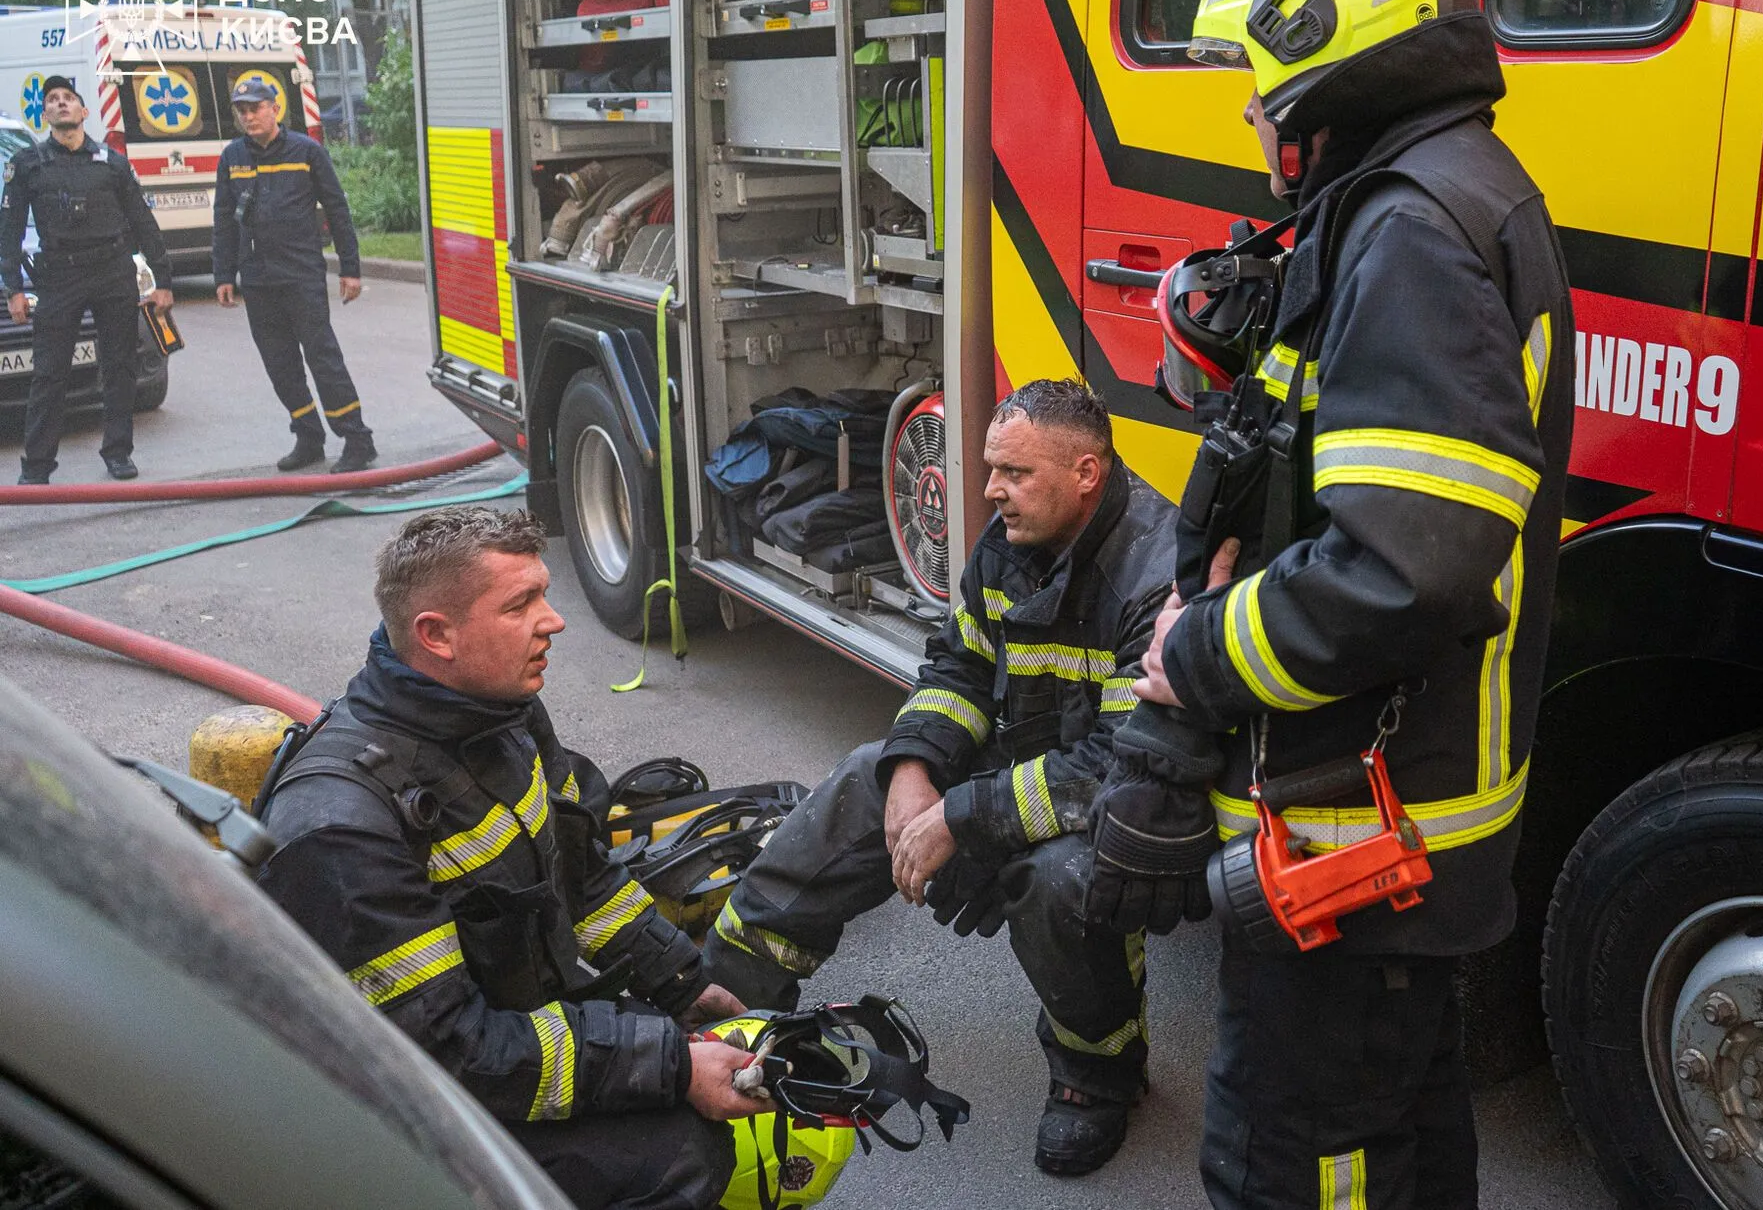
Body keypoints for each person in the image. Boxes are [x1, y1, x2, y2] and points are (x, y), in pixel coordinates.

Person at [1084, 0, 1576, 1209]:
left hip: (1365, 835)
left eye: (1260, 79)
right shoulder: (1425, 197)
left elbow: (1397, 569)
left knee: (1296, 1156)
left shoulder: (1410, 231)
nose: (1254, 114)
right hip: (1397, 824)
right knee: (1406, 1128)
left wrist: (1196, 652)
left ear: (1320, 52)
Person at [702, 378, 1176, 1177]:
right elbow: (957, 666)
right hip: (1032, 768)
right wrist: (915, 770)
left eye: (1014, 473)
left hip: (1132, 804)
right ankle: (726, 997)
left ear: (1087, 473)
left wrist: (964, 818)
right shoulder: (1010, 540)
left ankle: (1097, 1072)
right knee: (866, 776)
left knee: (1060, 876)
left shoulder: (1157, 573)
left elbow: (1121, 767)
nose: (990, 490)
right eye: (991, 469)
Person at [256, 505, 768, 1210]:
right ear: (437, 634)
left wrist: (678, 981)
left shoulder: (500, 710)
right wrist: (671, 1065)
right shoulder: (342, 825)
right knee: (678, 1153)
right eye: (521, 603)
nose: (553, 620)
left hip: (504, 1031)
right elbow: (449, 1050)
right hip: (407, 1109)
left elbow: (581, 877)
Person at [0, 74, 172, 484]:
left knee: (119, 366)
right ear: (45, 114)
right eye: (53, 100)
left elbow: (142, 222)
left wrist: (162, 280)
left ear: (83, 111)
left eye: (68, 98)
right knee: (49, 373)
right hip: (59, 276)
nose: (61, 103)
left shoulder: (111, 163)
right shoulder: (27, 164)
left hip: (112, 271)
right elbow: (9, 229)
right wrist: (14, 289)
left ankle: (118, 453)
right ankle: (38, 465)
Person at [212, 75, 376, 473]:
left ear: (275, 109)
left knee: (323, 358)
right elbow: (223, 220)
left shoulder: (306, 151)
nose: (249, 116)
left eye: (256, 108)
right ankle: (308, 436)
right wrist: (223, 274)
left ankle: (357, 439)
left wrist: (349, 269)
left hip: (301, 274)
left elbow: (337, 210)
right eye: (243, 111)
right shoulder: (232, 157)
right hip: (258, 278)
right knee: (280, 362)